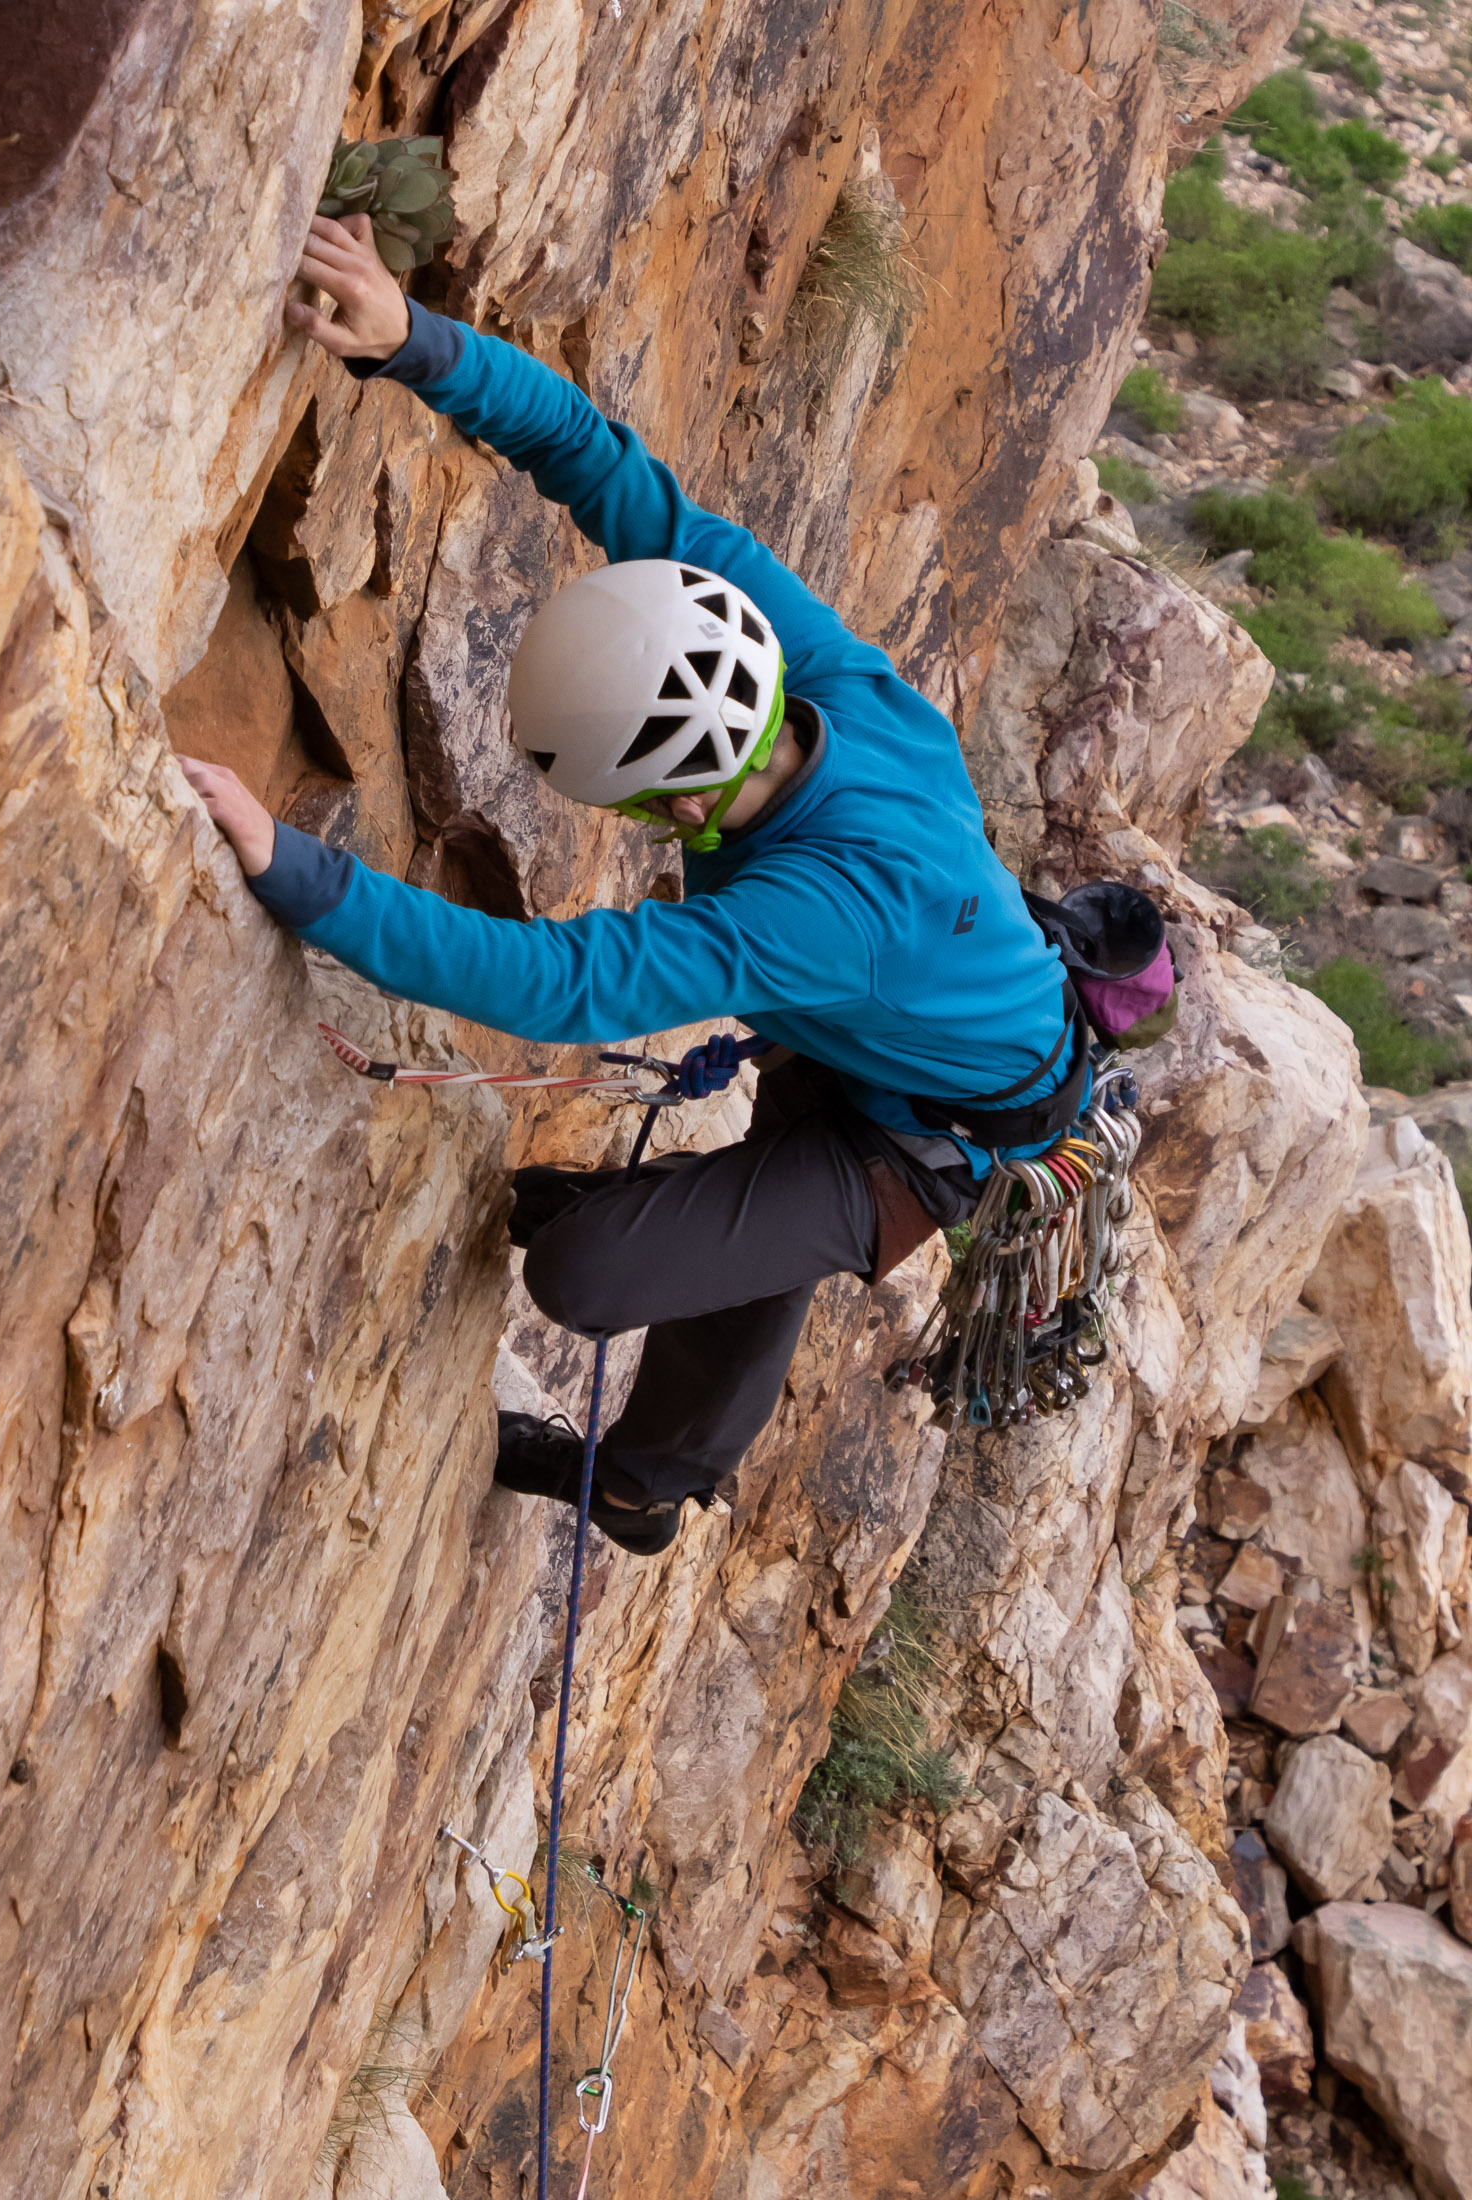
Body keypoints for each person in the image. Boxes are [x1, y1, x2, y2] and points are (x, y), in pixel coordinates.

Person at [180, 213, 1086, 1557]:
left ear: (666, 801)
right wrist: (410, 339)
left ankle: (642, 1480)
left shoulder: (811, 914)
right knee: (765, 1190)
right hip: (891, 1034)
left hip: (935, 1136)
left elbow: (556, 986)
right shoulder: (816, 673)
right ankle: (670, 1452)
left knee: (585, 1269)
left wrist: (296, 870)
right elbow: (603, 467)